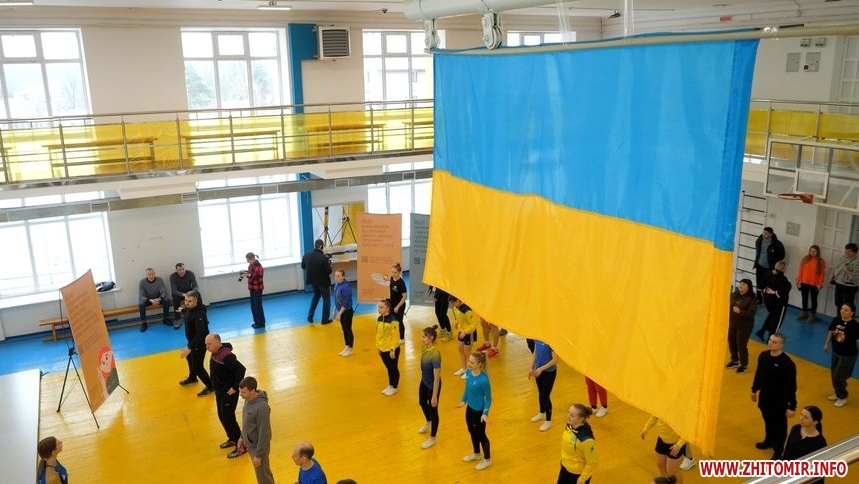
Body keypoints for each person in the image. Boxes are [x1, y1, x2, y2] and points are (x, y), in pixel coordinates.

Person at [751, 332, 797, 460]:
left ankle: (778, 450)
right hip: (765, 398)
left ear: (781, 345)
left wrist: (792, 406)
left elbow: (791, 386)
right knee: (768, 421)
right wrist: (754, 390)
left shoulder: (787, 363)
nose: (770, 343)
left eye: (774, 342)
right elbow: (758, 374)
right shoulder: (763, 356)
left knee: (780, 426)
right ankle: (769, 440)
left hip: (779, 401)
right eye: (770, 340)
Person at [205, 332, 247, 459]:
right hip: (220, 392)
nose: (207, 347)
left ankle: (242, 445)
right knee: (222, 416)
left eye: (209, 344)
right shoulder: (215, 352)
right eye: (206, 344)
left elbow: (241, 369)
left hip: (228, 393)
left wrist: (235, 387)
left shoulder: (226, 356)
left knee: (229, 418)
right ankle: (233, 438)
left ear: (218, 343)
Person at [237, 376, 274, 484]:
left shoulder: (262, 407)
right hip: (251, 444)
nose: (241, 395)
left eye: (243, 392)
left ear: (252, 390)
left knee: (263, 477)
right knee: (262, 474)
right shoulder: (248, 400)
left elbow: (264, 433)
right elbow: (246, 421)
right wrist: (242, 437)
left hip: (258, 448)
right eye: (240, 391)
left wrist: (258, 455)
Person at [459, 351, 492, 470]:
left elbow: (488, 399)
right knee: (471, 431)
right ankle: (477, 453)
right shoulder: (468, 372)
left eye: (472, 363)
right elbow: (467, 388)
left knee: (481, 435)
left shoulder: (484, 380)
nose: (469, 364)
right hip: (470, 409)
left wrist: (485, 413)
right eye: (469, 361)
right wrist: (463, 400)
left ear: (480, 364)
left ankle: (487, 460)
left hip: (479, 412)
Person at [178, 290, 214, 397]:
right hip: (192, 341)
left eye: (189, 301)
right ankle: (192, 378)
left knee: (198, 366)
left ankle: (210, 386)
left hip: (199, 343)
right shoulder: (190, 309)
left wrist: (190, 347)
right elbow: (188, 310)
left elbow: (201, 334)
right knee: (189, 358)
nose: (186, 303)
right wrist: (183, 310)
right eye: (185, 300)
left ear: (196, 301)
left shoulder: (199, 314)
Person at [823, 302, 859, 408]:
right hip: (836, 352)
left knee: (839, 376)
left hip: (847, 355)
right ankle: (838, 392)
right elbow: (831, 331)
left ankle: (843, 397)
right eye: (842, 309)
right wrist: (826, 344)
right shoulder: (836, 319)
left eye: (846, 310)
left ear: (852, 313)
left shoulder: (855, 326)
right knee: (833, 374)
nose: (843, 311)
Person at [641, 415, 688, 484]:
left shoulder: (681, 411)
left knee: (672, 472)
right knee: (660, 465)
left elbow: (688, 429)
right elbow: (655, 416)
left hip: (676, 444)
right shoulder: (662, 408)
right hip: (662, 439)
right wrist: (646, 428)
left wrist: (679, 444)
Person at [558, 403, 597, 484]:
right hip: (565, 466)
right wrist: (563, 460)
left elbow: (592, 462)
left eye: (572, 415)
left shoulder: (586, 440)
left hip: (577, 473)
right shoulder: (570, 425)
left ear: (581, 419)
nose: (568, 416)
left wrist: (582, 479)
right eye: (568, 412)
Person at [418, 325, 442, 449]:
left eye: (424, 337)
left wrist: (434, 396)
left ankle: (432, 438)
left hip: (433, 384)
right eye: (422, 336)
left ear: (431, 338)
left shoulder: (435, 354)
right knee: (422, 402)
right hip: (424, 381)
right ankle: (429, 421)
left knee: (433, 409)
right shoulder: (425, 348)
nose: (421, 339)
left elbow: (437, 377)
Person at [727, 278, 758, 374]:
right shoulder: (735, 294)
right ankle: (735, 360)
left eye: (744, 284)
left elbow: (752, 313)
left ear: (748, 287)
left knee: (741, 345)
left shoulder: (752, 299)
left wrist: (740, 312)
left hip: (744, 326)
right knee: (731, 342)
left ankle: (744, 365)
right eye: (741, 283)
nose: (741, 285)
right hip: (733, 323)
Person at [755, 261, 790, 343]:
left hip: (767, 300)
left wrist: (763, 293)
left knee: (772, 315)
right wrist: (775, 292)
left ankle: (761, 331)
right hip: (779, 302)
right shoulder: (783, 279)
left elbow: (760, 286)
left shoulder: (768, 274)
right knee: (777, 320)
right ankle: (771, 338)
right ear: (784, 269)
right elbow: (785, 289)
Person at [528, 339, 558, 432]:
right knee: (540, 392)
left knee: (545, 395)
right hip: (538, 370)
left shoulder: (551, 341)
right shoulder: (537, 338)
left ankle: (548, 421)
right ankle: (542, 413)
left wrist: (541, 369)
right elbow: (535, 352)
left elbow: (555, 360)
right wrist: (531, 367)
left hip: (549, 372)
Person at [449, 295, 481, 379]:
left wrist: (465, 332)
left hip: (469, 333)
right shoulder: (457, 308)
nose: (452, 305)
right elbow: (460, 318)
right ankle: (464, 368)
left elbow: (474, 323)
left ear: (458, 301)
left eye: (453, 302)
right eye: (451, 303)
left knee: (467, 352)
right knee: (460, 349)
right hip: (462, 331)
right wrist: (458, 323)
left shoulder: (467, 310)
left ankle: (470, 372)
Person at [302, 239, 332, 325]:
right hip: (323, 282)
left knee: (316, 295)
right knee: (326, 299)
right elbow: (328, 271)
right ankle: (325, 319)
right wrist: (330, 265)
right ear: (321, 246)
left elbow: (303, 266)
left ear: (315, 245)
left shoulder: (306, 255)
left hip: (312, 281)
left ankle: (310, 315)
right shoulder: (324, 258)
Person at [376, 298, 401, 396]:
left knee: (393, 368)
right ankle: (390, 385)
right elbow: (378, 335)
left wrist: (392, 349)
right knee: (388, 368)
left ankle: (395, 387)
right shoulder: (379, 319)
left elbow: (395, 337)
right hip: (382, 348)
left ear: (387, 308)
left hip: (391, 349)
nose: (379, 309)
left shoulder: (393, 321)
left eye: (381, 307)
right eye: (378, 307)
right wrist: (378, 347)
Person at [754, 227, 786, 303]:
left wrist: (773, 262)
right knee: (759, 283)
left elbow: (781, 255)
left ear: (771, 234)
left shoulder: (777, 244)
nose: (764, 234)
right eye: (763, 232)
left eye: (766, 233)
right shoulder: (759, 240)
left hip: (769, 268)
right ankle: (758, 298)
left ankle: (768, 299)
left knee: (769, 284)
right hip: (759, 266)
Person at [796, 245, 825, 323]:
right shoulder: (805, 259)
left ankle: (812, 314)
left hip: (815, 284)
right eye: (811, 251)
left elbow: (822, 274)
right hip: (804, 282)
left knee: (813, 299)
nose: (812, 253)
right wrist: (798, 281)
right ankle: (804, 312)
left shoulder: (821, 261)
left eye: (814, 251)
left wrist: (819, 284)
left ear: (818, 252)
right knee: (804, 298)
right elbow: (800, 270)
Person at [138, 267, 172, 332]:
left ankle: (166, 319)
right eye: (149, 274)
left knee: (167, 300)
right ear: (146, 275)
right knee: (141, 304)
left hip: (158, 298)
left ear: (154, 273)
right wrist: (149, 300)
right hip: (148, 300)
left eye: (152, 274)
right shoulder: (142, 282)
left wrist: (159, 299)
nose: (151, 276)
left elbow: (164, 292)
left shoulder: (160, 280)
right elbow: (141, 296)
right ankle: (143, 323)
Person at [240, 252, 266, 329]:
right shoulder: (251, 265)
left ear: (252, 259)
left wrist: (246, 275)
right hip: (252, 288)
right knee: (253, 306)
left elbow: (255, 276)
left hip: (258, 289)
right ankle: (256, 321)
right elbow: (250, 274)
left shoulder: (259, 266)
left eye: (248, 260)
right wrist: (245, 273)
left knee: (257, 306)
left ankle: (261, 323)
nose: (247, 262)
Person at [332, 269, 354, 356]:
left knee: (348, 329)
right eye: (335, 276)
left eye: (338, 276)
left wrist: (339, 314)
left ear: (343, 277)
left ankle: (351, 349)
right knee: (344, 329)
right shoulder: (337, 285)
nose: (336, 277)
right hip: (341, 310)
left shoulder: (346, 287)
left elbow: (345, 303)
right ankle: (346, 347)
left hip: (347, 312)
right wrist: (335, 309)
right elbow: (337, 299)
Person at [831, 243, 859, 312]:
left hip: (849, 287)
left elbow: (856, 277)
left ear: (855, 252)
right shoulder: (842, 259)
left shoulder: (857, 262)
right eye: (846, 250)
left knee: (848, 306)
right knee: (838, 303)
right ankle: (839, 318)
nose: (847, 252)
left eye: (849, 251)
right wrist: (833, 276)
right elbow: (835, 268)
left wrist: (847, 271)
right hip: (839, 284)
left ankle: (847, 319)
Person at [388, 263, 408, 342]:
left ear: (399, 272)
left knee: (399, 322)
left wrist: (397, 307)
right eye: (392, 272)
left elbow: (404, 297)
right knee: (393, 321)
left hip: (400, 305)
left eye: (395, 272)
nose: (393, 274)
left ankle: (402, 339)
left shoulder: (401, 283)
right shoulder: (391, 278)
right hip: (392, 304)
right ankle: (394, 335)